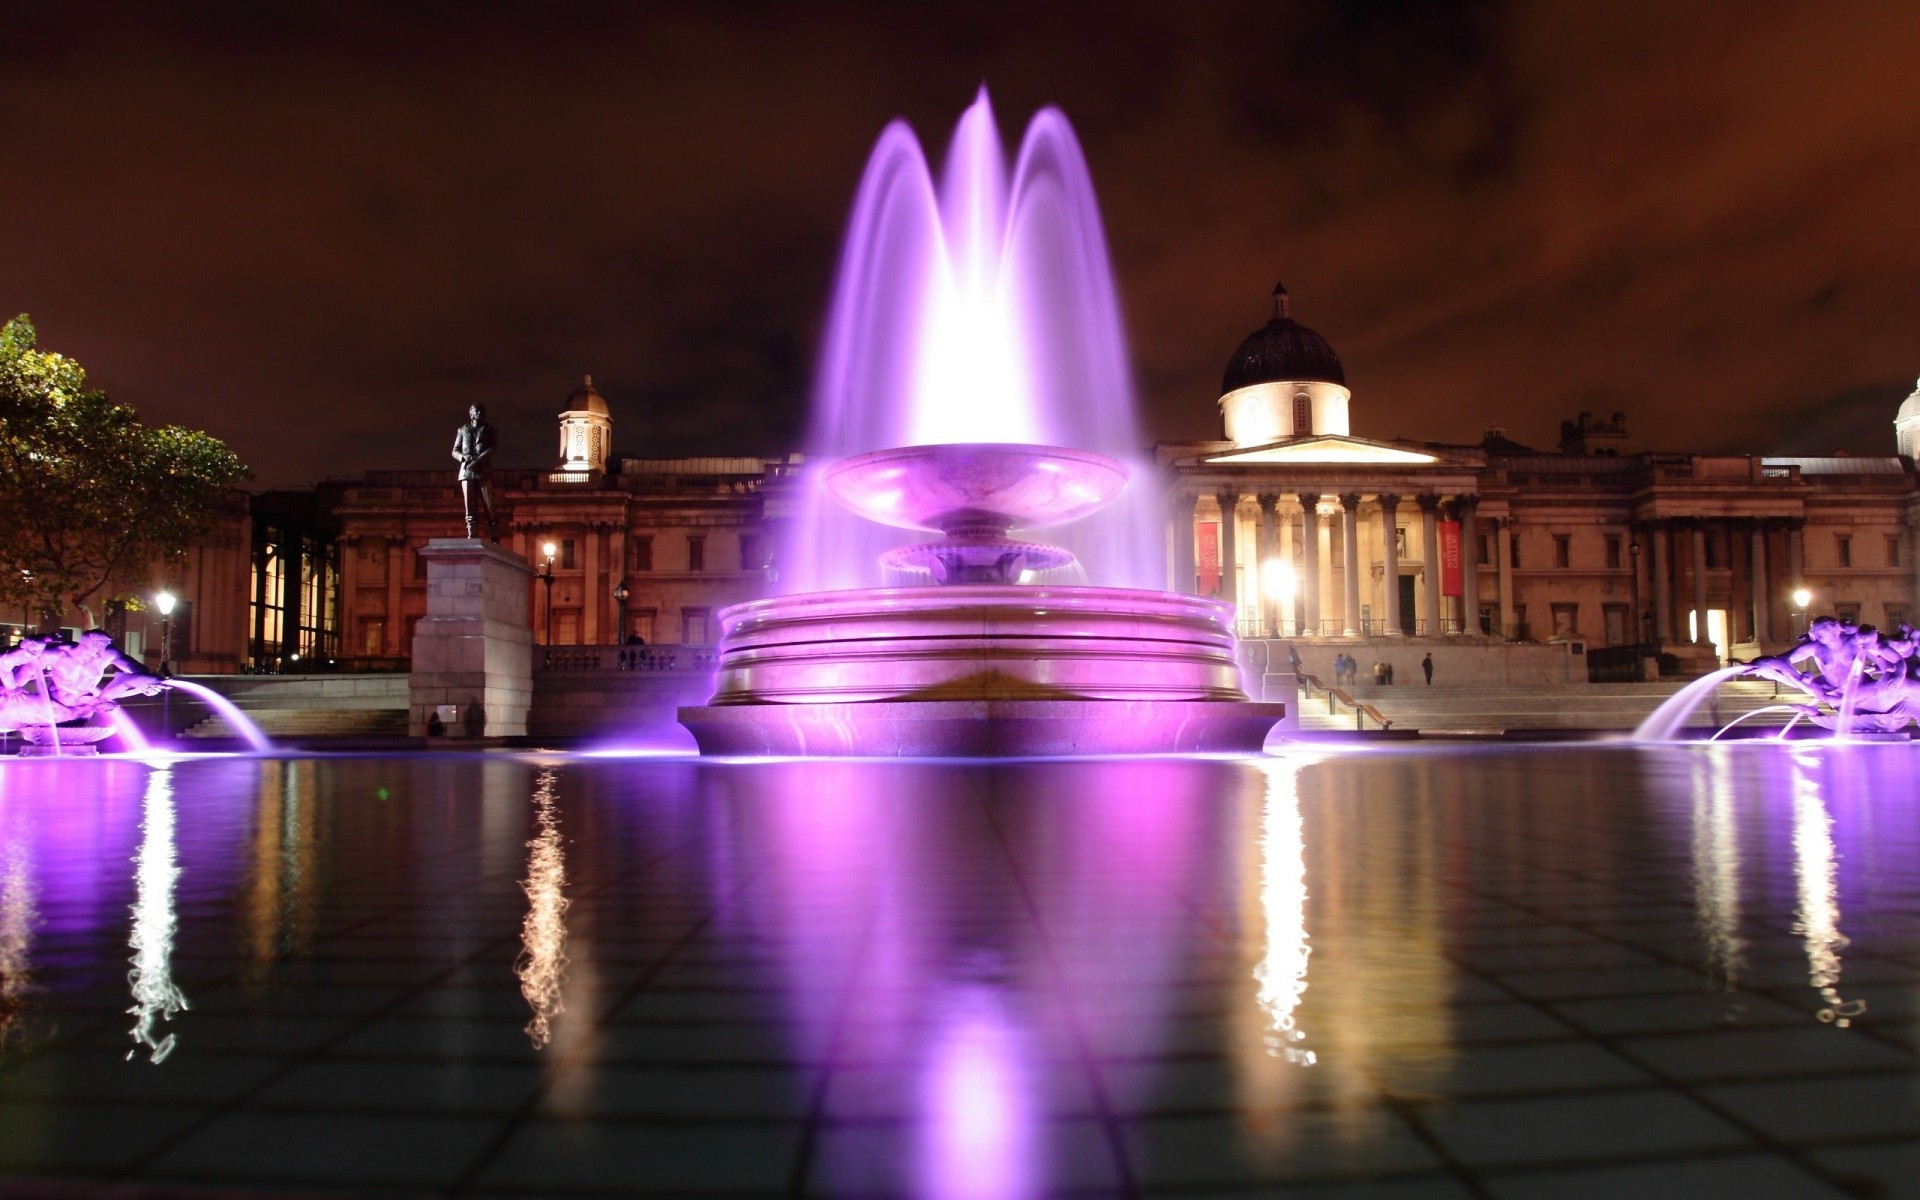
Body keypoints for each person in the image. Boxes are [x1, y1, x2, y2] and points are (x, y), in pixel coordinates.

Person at [452, 402, 501, 542]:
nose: (480, 414)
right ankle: (472, 533)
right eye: (477, 411)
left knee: (489, 505)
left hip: (483, 470)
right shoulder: (462, 430)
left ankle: (494, 535)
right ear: (471, 413)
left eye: (482, 411)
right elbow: (455, 450)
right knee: (470, 505)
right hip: (466, 471)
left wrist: (478, 460)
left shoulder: (491, 430)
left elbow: (492, 449)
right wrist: (464, 457)